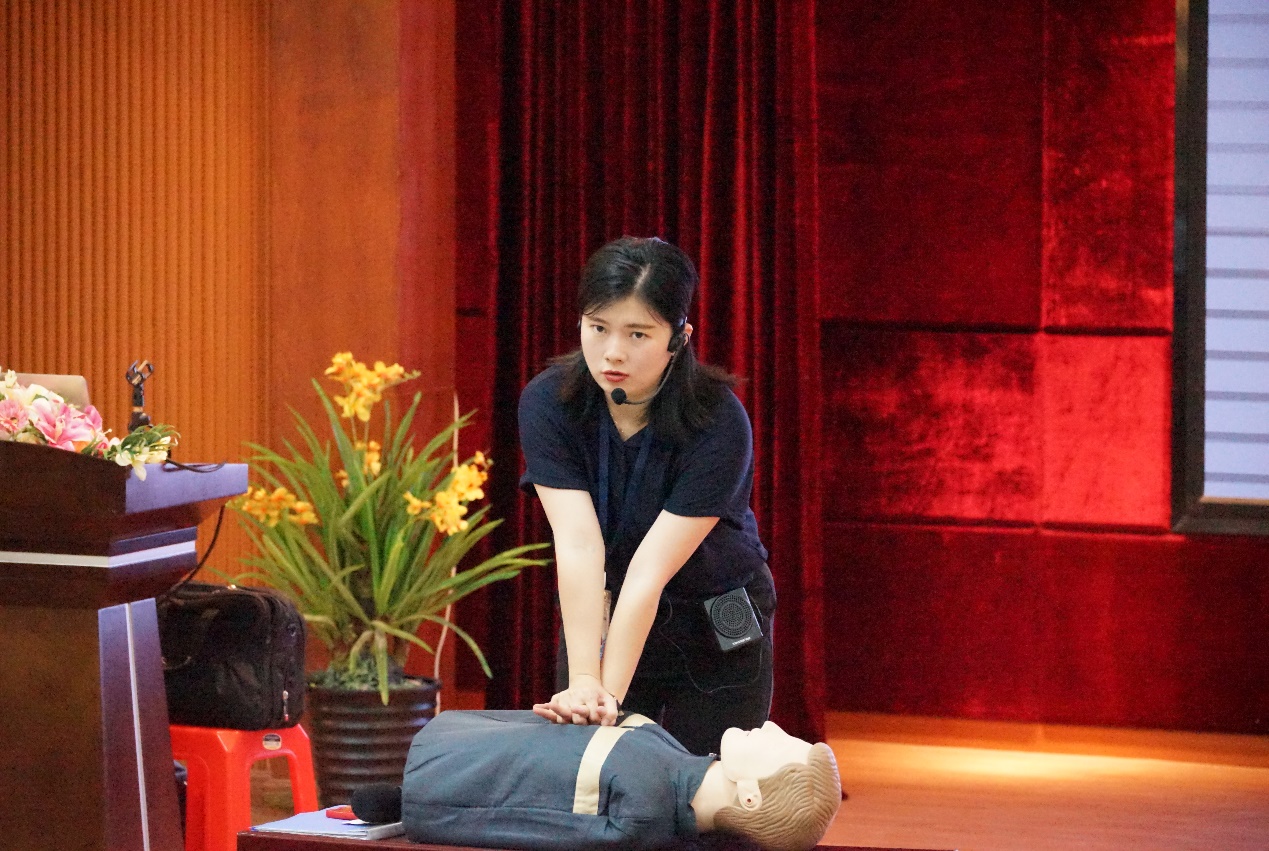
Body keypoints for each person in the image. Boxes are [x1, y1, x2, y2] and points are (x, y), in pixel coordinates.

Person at [518, 236, 775, 756]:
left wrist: (608, 698)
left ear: (679, 338)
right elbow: (579, 545)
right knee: (596, 775)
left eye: (638, 333)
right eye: (598, 327)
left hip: (715, 612)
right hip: (606, 610)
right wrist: (588, 685)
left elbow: (649, 571)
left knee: (708, 784)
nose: (613, 352)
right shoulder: (549, 402)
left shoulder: (719, 419)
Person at [401, 709, 842, 851]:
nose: (772, 727)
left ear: (749, 798)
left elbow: (533, 824)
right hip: (470, 740)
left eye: (780, 746)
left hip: (445, 775)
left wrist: (434, 809)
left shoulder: (643, 814)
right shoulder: (671, 760)